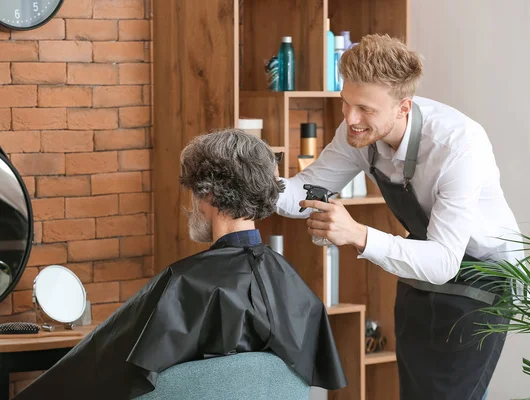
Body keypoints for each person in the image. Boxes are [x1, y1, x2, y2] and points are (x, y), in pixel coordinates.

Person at [276, 34, 524, 400]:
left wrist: (358, 234)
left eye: (365, 109)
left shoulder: (458, 146)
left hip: (482, 281)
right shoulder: (357, 132)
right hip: (419, 270)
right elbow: (305, 189)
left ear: (403, 107)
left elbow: (443, 261)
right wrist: (250, 183)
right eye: (346, 104)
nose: (350, 119)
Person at [15, 130, 347, 400]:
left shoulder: (182, 281)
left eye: (194, 195)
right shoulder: (292, 282)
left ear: (209, 197)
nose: (193, 205)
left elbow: (102, 365)